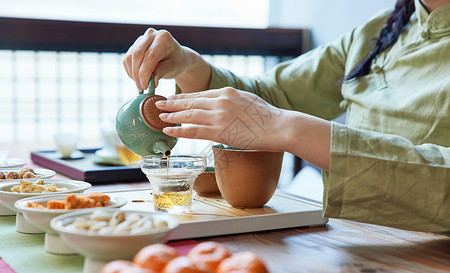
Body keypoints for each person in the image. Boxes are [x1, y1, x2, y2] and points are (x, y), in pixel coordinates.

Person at [123, 0, 450, 232]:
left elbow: (270, 117)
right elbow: (269, 101)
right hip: (351, 244)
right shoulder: (376, 32)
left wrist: (289, 127)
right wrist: (188, 65)